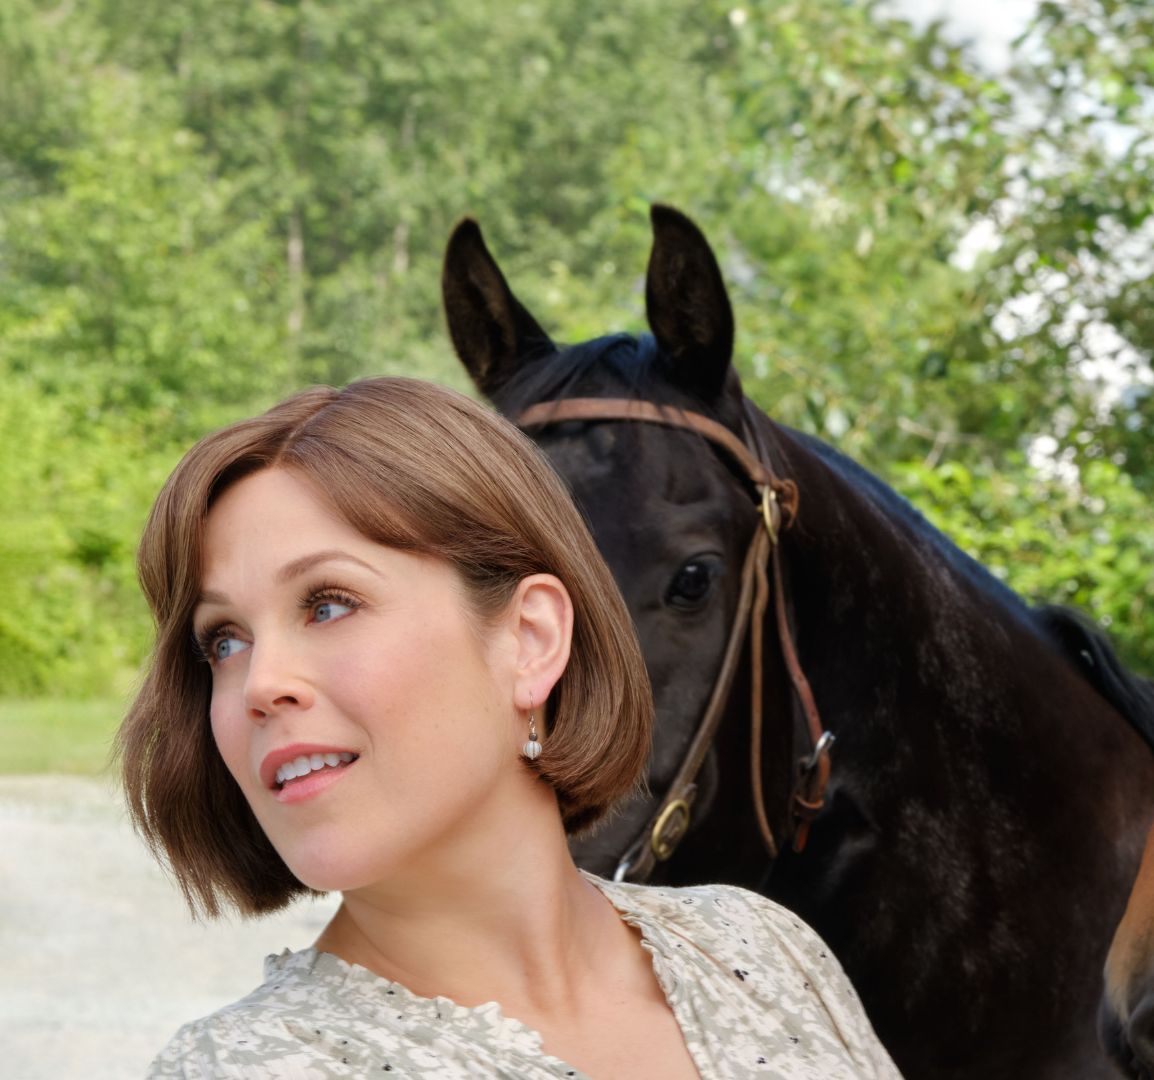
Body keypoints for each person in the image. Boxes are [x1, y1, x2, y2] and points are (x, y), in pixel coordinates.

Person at [120, 377, 900, 1079]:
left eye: (328, 604)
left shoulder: (761, 950)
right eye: (223, 640)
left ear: (529, 640)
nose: (259, 685)